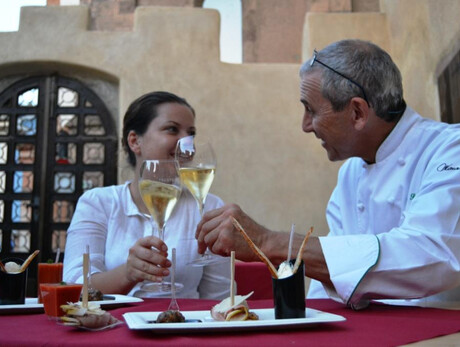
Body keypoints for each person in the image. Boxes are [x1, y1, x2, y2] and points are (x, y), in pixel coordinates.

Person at [196, 39, 460, 310]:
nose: (305, 125)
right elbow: (331, 279)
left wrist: (267, 241)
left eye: (311, 109)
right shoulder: (350, 175)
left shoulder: (450, 149)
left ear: (357, 112)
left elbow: (434, 254)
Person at [64, 91, 230, 300]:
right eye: (172, 129)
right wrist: (128, 273)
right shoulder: (97, 203)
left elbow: (219, 299)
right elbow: (74, 287)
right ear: (135, 141)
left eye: (191, 134)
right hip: (111, 328)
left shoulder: (210, 207)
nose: (187, 144)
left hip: (185, 327)